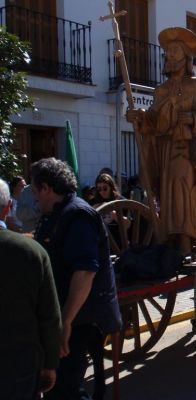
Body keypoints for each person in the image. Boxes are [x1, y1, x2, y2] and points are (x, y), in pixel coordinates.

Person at [31, 158, 121, 399]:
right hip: (68, 315)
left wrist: (66, 321)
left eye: (35, 192)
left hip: (81, 318)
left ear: (46, 188)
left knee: (65, 388)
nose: (35, 199)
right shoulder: (56, 215)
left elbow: (85, 271)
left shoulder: (78, 215)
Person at [126, 27, 196, 254]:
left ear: (186, 56)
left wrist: (193, 118)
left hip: (189, 150)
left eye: (175, 51)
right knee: (167, 193)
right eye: (167, 51)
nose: (169, 55)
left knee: (183, 186)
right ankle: (171, 242)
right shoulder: (161, 91)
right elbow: (153, 121)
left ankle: (186, 241)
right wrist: (139, 117)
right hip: (165, 150)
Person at [0, 178, 62, 399]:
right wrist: (51, 364)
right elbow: (50, 317)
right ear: (8, 208)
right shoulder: (31, 252)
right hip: (19, 367)